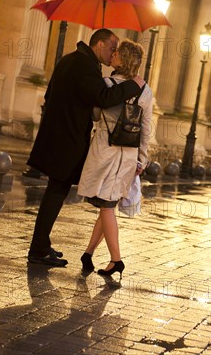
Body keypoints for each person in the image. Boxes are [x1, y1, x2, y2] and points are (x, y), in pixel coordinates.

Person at [26, 29, 145, 267]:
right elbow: (103, 97)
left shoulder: (69, 60)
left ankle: (42, 244)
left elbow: (50, 96)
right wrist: (134, 85)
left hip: (55, 134)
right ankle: (38, 249)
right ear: (100, 44)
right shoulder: (85, 66)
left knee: (55, 191)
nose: (113, 54)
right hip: (66, 139)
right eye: (112, 48)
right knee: (56, 192)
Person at [77, 39, 154, 278]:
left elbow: (97, 114)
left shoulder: (107, 84)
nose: (113, 55)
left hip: (105, 151)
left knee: (106, 206)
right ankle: (88, 253)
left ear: (125, 59)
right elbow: (146, 127)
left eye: (118, 53)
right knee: (106, 205)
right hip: (128, 155)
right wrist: (142, 159)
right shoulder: (145, 90)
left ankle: (116, 260)